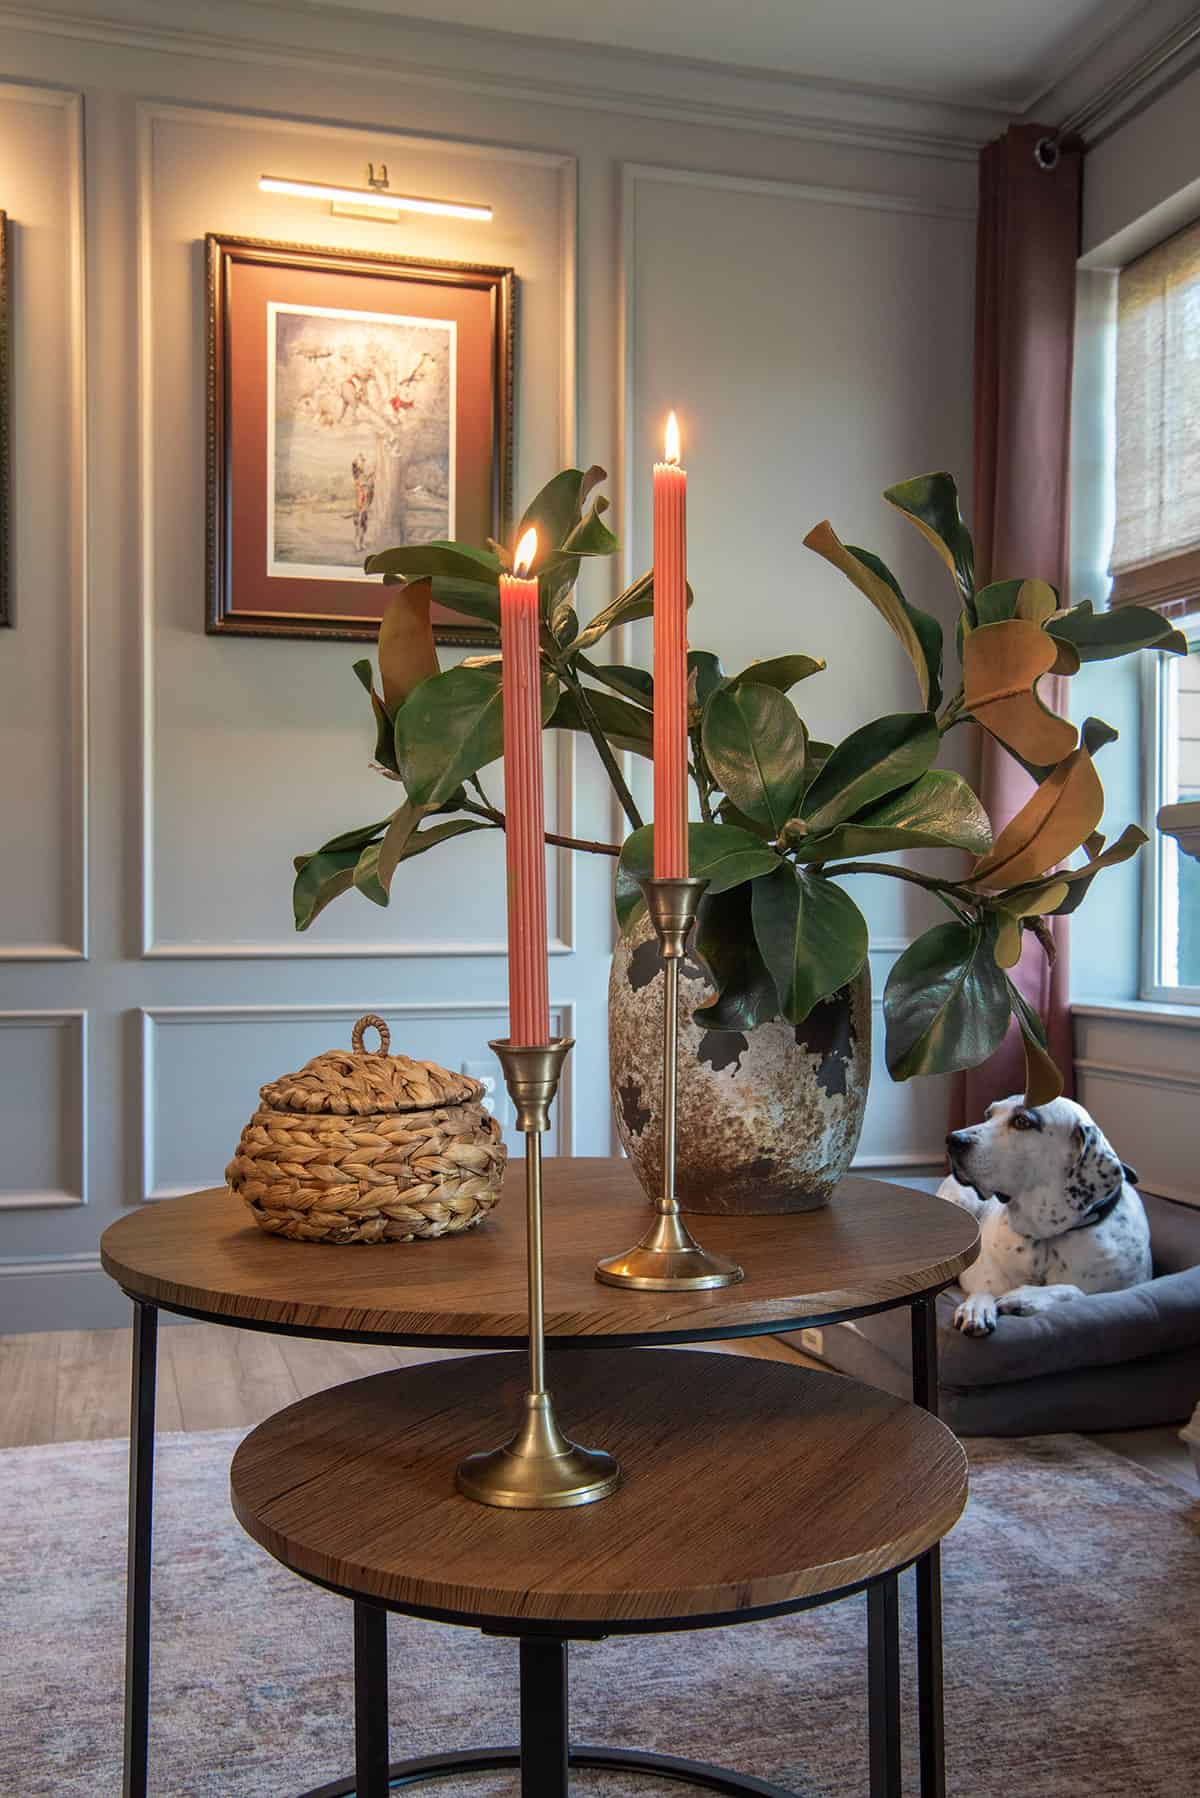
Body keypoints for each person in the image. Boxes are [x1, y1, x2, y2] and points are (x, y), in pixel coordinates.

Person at [350, 454, 376, 554]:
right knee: (359, 524)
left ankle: (361, 542)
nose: (363, 463)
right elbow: (363, 484)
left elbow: (368, 481)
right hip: (359, 503)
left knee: (364, 525)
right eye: (362, 462)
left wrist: (372, 473)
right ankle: (357, 542)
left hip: (365, 503)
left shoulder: (363, 474)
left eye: (363, 462)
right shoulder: (357, 474)